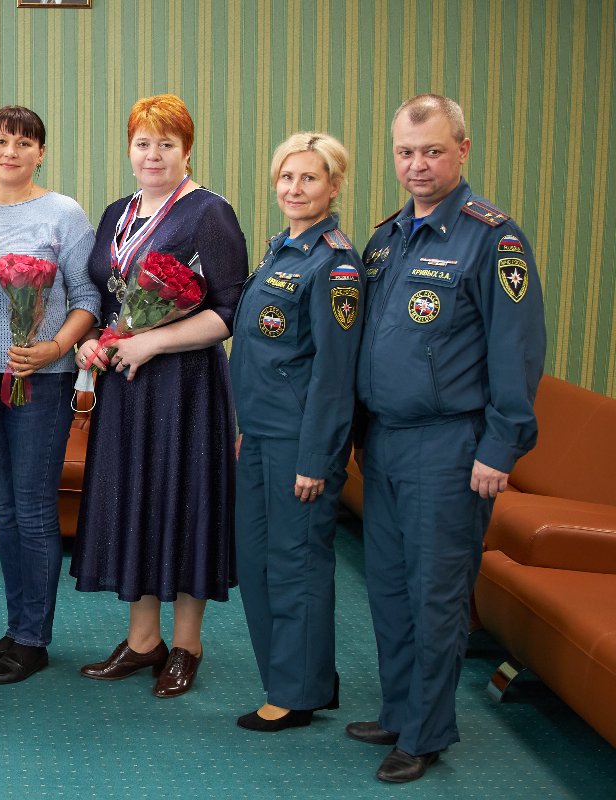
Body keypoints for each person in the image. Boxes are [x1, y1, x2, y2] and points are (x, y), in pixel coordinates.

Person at [349, 94, 544, 784]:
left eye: (432, 150)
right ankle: (400, 710)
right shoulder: (385, 239)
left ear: (462, 149)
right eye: (406, 151)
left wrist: (501, 445)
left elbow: (516, 350)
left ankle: (427, 733)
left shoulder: (493, 238)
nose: (417, 164)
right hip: (388, 442)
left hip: (452, 446)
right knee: (391, 592)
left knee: (435, 594)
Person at [72, 94, 247, 698]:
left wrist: (155, 343)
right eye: (143, 143)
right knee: (135, 501)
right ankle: (144, 641)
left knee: (185, 501)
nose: (153, 154)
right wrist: (94, 341)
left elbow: (229, 312)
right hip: (125, 383)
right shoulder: (117, 211)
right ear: (129, 149)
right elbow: (105, 296)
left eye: (166, 144)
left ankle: (188, 644)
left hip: (185, 385)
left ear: (186, 150)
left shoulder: (208, 212)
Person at [0, 105, 98, 685]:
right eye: (0, 140)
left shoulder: (63, 212)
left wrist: (55, 347)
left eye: (23, 142)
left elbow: (88, 295)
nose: (10, 151)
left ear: (40, 153)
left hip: (42, 379)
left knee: (35, 510)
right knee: (5, 507)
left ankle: (34, 638)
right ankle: (16, 628)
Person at [230, 132, 361, 732]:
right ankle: (307, 677)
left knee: (294, 564)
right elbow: (258, 353)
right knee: (257, 562)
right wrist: (244, 427)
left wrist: (315, 457)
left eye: (309, 179)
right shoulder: (281, 250)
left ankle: (296, 694)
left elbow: (334, 377)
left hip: (299, 446)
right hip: (261, 435)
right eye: (287, 177)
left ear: (334, 187)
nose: (294, 189)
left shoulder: (334, 266)